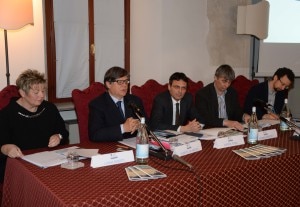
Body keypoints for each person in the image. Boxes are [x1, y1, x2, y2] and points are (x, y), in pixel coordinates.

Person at [0, 69, 69, 184]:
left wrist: (58, 136)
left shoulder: (49, 109)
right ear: (22, 93)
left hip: (49, 162)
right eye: (36, 92)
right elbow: (1, 144)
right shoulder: (7, 114)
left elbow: (64, 132)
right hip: (20, 165)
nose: (42, 95)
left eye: (43, 91)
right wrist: (7, 148)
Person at [88, 66, 147, 142]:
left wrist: (140, 125)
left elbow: (149, 125)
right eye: (120, 82)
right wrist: (123, 128)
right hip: (110, 147)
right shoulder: (97, 105)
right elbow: (95, 135)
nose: (125, 85)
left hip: (134, 144)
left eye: (126, 81)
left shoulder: (134, 100)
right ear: (108, 84)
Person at [195, 64, 249, 131]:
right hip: (211, 130)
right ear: (215, 78)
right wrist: (225, 122)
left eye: (229, 82)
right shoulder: (202, 94)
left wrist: (244, 116)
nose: (226, 85)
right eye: (224, 81)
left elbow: (236, 112)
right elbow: (204, 118)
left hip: (229, 130)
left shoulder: (232, 92)